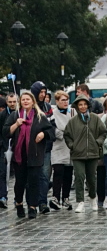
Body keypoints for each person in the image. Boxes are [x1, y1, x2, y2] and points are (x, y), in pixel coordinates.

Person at [3, 90, 53, 219]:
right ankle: (19, 203)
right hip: (19, 155)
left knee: (34, 181)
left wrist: (43, 134)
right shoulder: (15, 115)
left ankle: (32, 206)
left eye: (28, 99)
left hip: (34, 155)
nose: (25, 101)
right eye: (23, 99)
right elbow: (5, 131)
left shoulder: (39, 116)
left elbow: (51, 131)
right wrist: (16, 124)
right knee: (20, 182)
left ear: (32, 101)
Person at [64, 94, 106, 212]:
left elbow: (103, 132)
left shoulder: (95, 118)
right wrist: (72, 146)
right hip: (78, 154)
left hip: (93, 153)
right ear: (77, 106)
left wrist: (98, 143)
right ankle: (80, 201)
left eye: (84, 104)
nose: (82, 107)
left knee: (92, 178)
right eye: (80, 105)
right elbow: (67, 135)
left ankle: (92, 198)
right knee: (79, 177)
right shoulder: (73, 121)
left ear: (88, 105)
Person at [30, 81, 55, 215]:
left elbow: (52, 128)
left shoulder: (47, 108)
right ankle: (31, 202)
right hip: (30, 148)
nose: (43, 94)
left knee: (44, 175)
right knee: (32, 176)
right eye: (40, 92)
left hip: (45, 147)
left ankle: (42, 202)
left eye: (44, 92)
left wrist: (45, 134)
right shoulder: (29, 107)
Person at [50, 90, 73, 210]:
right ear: (57, 101)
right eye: (63, 100)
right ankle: (55, 197)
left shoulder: (71, 113)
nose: (65, 102)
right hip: (58, 147)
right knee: (58, 171)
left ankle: (66, 198)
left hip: (69, 147)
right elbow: (53, 129)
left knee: (68, 173)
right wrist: (65, 133)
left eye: (67, 100)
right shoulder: (53, 114)